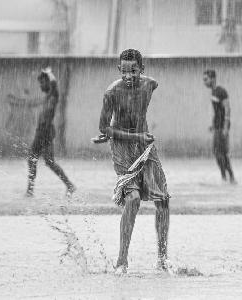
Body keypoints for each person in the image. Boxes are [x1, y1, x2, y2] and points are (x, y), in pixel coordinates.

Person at [94, 49, 171, 275]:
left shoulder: (150, 85)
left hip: (145, 147)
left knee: (163, 200)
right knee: (133, 199)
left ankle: (163, 258)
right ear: (119, 70)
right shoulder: (112, 92)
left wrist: (140, 137)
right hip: (122, 147)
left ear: (142, 69)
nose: (129, 76)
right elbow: (103, 127)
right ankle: (122, 260)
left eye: (134, 70)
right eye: (124, 71)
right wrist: (125, 135)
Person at [9, 67, 75, 197]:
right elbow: (31, 103)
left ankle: (32, 190)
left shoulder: (53, 96)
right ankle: (66, 185)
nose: (40, 85)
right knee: (39, 160)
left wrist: (49, 72)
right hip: (42, 132)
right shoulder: (46, 98)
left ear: (48, 83)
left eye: (42, 83)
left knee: (39, 160)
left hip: (45, 132)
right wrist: (16, 101)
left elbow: (54, 85)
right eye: (40, 83)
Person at [203, 69, 236, 183]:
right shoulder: (214, 92)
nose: (204, 82)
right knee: (219, 153)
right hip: (217, 127)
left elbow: (227, 109)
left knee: (220, 153)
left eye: (206, 79)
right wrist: (213, 125)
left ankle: (227, 177)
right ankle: (228, 177)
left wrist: (225, 127)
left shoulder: (221, 91)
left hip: (222, 128)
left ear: (213, 79)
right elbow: (218, 112)